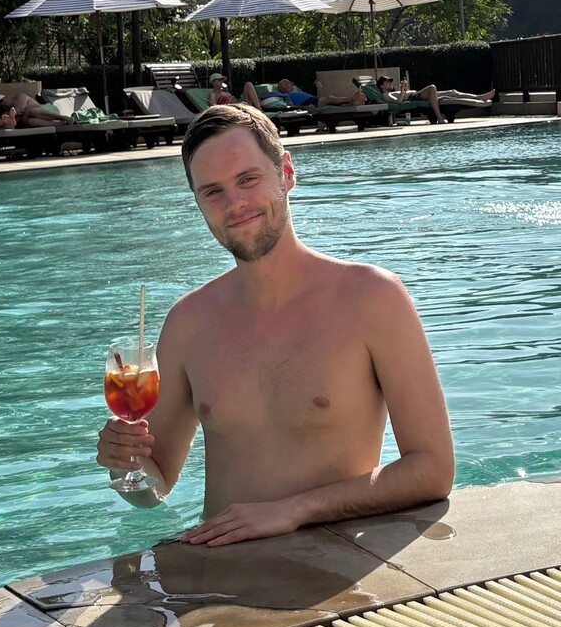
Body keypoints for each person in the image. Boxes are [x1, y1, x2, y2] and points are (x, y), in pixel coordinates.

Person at [95, 102, 454, 544]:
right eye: (213, 192)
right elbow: (156, 487)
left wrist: (297, 509)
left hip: (334, 562)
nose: (235, 204)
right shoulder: (188, 323)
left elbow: (433, 470)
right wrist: (124, 464)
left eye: (248, 179)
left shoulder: (371, 298)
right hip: (216, 569)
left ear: (285, 172)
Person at [374, 74, 496, 123]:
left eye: (390, 82)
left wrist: (404, 89)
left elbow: (402, 95)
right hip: (415, 97)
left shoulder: (393, 91)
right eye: (387, 82)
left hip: (417, 95)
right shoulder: (385, 95)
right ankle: (439, 117)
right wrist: (402, 90)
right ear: (381, 86)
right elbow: (399, 102)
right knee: (432, 87)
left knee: (452, 92)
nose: (390, 84)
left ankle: (480, 97)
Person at [0, 91, 76, 128]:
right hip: (38, 120)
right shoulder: (6, 112)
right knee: (30, 121)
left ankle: (65, 118)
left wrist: (20, 115)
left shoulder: (20, 97)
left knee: (31, 111)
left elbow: (20, 114)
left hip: (48, 109)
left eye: (2, 101)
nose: (2, 104)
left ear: (6, 97)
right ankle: (62, 125)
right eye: (0, 106)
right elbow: (18, 121)